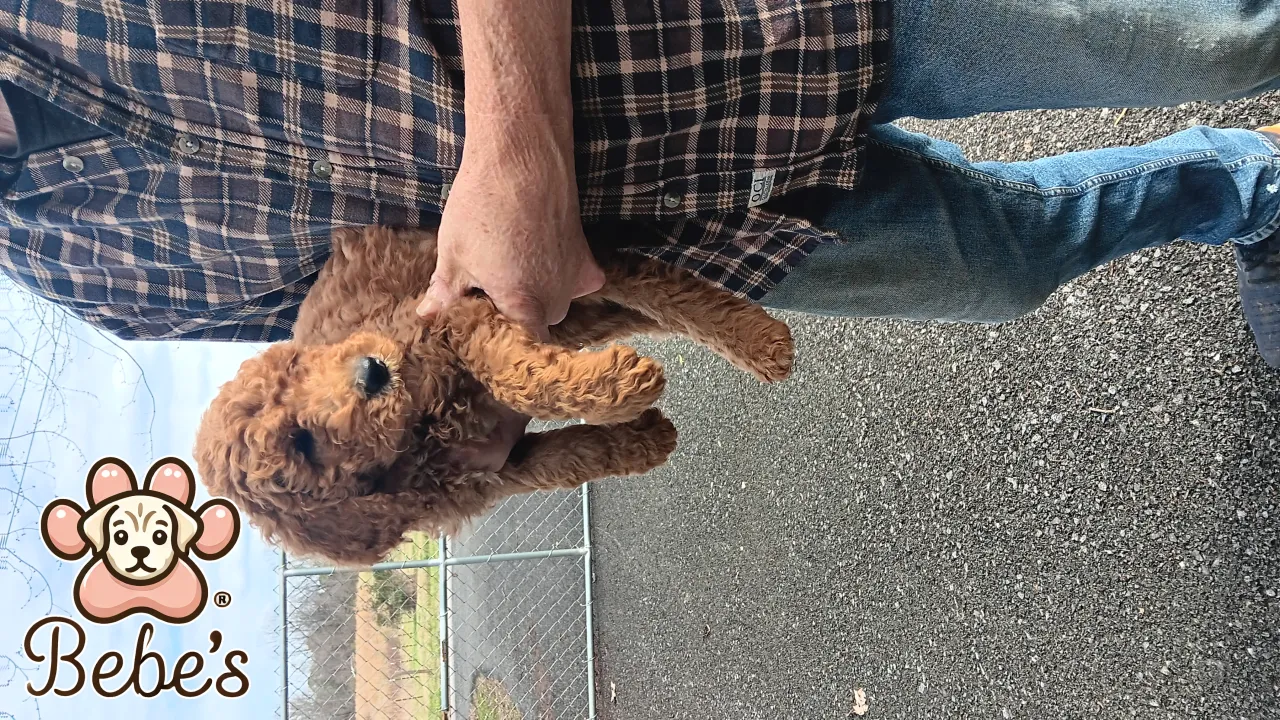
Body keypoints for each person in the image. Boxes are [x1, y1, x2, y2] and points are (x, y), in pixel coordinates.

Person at [0, 0, 1278, 371]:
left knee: (1221, 35)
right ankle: (1245, 187)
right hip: (708, 243)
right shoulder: (88, 276)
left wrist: (514, 141)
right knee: (1001, 266)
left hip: (748, 16)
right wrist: (466, 426)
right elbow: (372, 349)